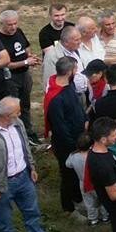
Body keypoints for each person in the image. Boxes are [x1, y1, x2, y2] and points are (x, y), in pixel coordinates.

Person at [0, 97, 53, 232]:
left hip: (24, 177)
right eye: (17, 112)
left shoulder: (18, 124)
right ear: (6, 116)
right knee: (3, 215)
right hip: (3, 183)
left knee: (32, 210)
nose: (20, 113)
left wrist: (31, 167)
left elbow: (25, 146)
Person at [45, 56, 89, 216]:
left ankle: (78, 200)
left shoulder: (69, 86)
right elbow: (59, 127)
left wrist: (84, 120)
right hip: (67, 144)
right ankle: (68, 208)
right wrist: (73, 146)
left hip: (78, 137)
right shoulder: (55, 98)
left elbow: (77, 106)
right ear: (70, 71)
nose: (77, 72)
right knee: (68, 174)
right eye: (75, 69)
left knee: (76, 175)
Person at [0, 10, 40, 141]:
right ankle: (16, 135)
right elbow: (6, 63)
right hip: (11, 77)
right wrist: (26, 62)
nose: (13, 27)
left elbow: (26, 46)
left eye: (15, 23)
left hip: (24, 74)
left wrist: (29, 56)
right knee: (13, 107)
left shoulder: (18, 31)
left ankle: (29, 132)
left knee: (25, 105)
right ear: (2, 23)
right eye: (9, 24)